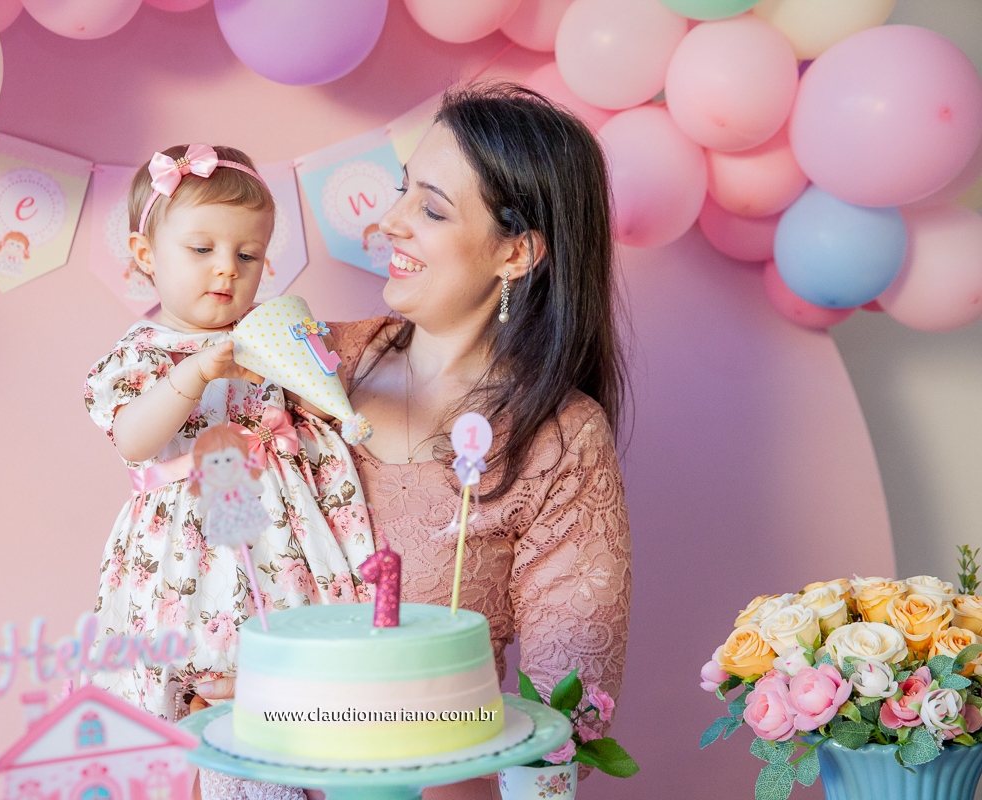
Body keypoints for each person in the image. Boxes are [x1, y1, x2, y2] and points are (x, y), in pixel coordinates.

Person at [332, 83, 632, 798]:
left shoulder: (559, 439)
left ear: (517, 253)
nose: (389, 222)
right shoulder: (311, 364)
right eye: (403, 191)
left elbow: (569, 700)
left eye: (431, 209)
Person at [82, 145, 374, 755]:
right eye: (201, 249)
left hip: (281, 528)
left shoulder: (268, 334)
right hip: (194, 534)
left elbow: (319, 404)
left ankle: (282, 750)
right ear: (146, 255)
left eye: (247, 255)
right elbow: (133, 440)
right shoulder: (147, 350)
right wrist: (195, 373)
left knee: (290, 671)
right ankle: (220, 749)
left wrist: (314, 379)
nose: (227, 270)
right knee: (209, 680)